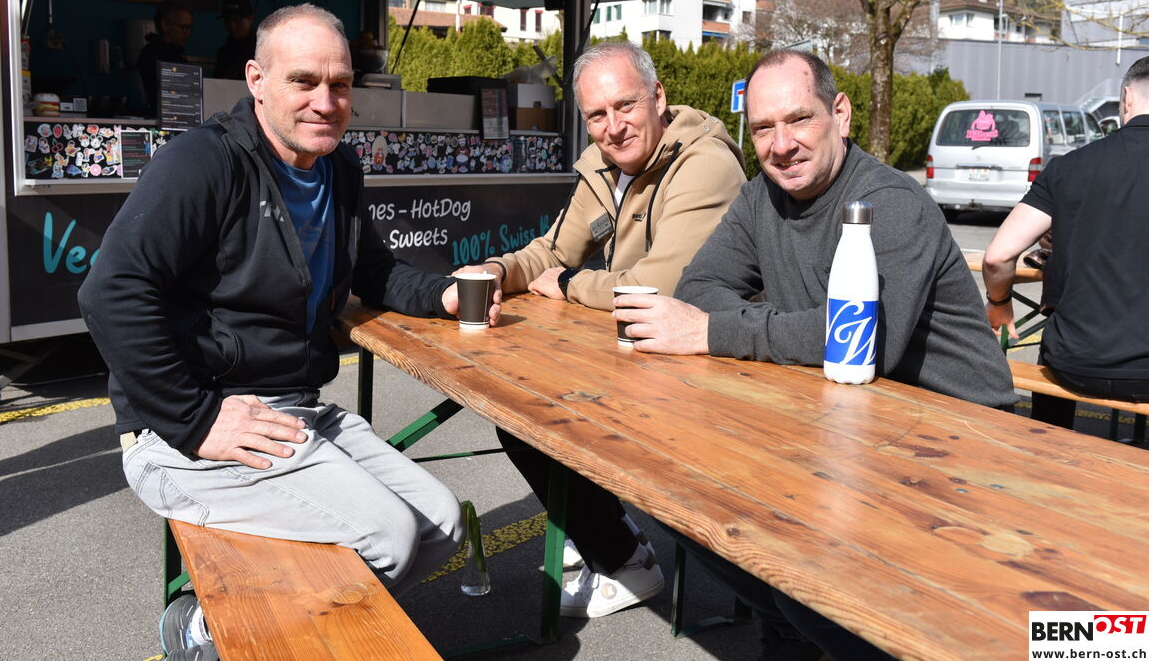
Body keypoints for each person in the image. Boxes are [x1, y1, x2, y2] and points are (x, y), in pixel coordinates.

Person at [79, 4, 494, 661]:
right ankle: (204, 629)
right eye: (303, 81)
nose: (325, 102)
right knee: (387, 535)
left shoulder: (338, 168)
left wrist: (444, 293)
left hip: (297, 410)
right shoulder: (204, 161)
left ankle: (283, 624)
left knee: (440, 525)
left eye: (340, 84)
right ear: (257, 79)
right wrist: (194, 418)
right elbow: (110, 290)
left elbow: (374, 271)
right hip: (188, 430)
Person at [620, 49, 1014, 660]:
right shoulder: (761, 197)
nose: (781, 145)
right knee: (675, 497)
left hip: (961, 444)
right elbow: (699, 288)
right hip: (849, 426)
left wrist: (714, 332)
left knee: (808, 578)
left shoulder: (890, 202)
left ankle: (802, 620)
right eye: (763, 128)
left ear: (841, 114)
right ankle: (784, 620)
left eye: (798, 119)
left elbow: (862, 340)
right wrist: (768, 329)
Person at [456, 41, 746, 619]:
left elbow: (656, 287)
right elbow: (552, 250)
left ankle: (626, 561)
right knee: (521, 412)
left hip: (713, 368)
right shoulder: (604, 165)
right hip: (640, 352)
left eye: (625, 105)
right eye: (597, 115)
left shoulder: (706, 164)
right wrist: (497, 272)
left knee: (546, 417)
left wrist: (569, 285)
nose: (613, 127)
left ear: (658, 97)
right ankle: (612, 540)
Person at [982, 55, 1149, 428]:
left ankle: (1046, 449)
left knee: (1052, 354)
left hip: (1076, 364)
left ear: (1126, 98)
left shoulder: (1069, 166)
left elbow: (998, 256)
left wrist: (999, 304)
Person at [137, 0, 192, 114]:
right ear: (165, 25)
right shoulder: (151, 54)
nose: (187, 33)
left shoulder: (179, 53)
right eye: (183, 27)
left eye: (189, 28)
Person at [212, 0, 256, 80]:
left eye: (237, 21)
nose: (232, 26)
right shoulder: (223, 53)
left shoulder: (262, 51)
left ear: (250, 19)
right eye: (227, 21)